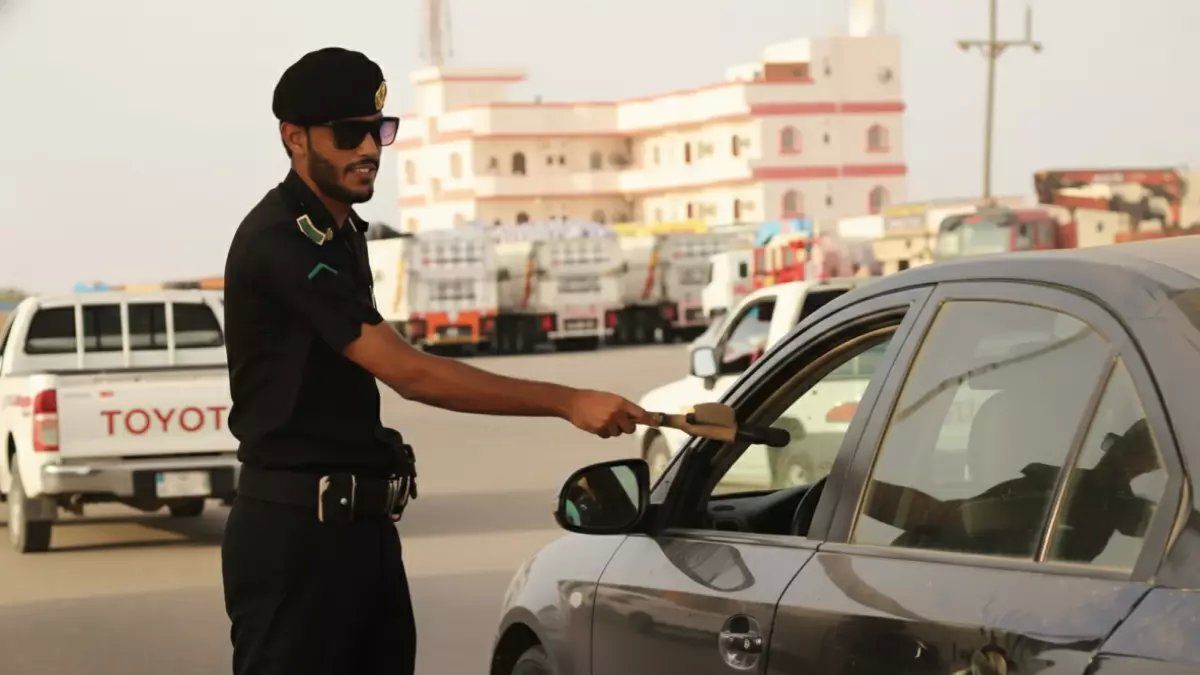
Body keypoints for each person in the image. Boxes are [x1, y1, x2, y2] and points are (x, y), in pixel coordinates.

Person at [220, 47, 649, 675]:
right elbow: (409, 372)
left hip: (360, 534)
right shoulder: (280, 239)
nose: (369, 148)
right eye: (349, 134)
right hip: (296, 540)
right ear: (293, 137)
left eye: (379, 131)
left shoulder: (343, 233)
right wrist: (567, 401)